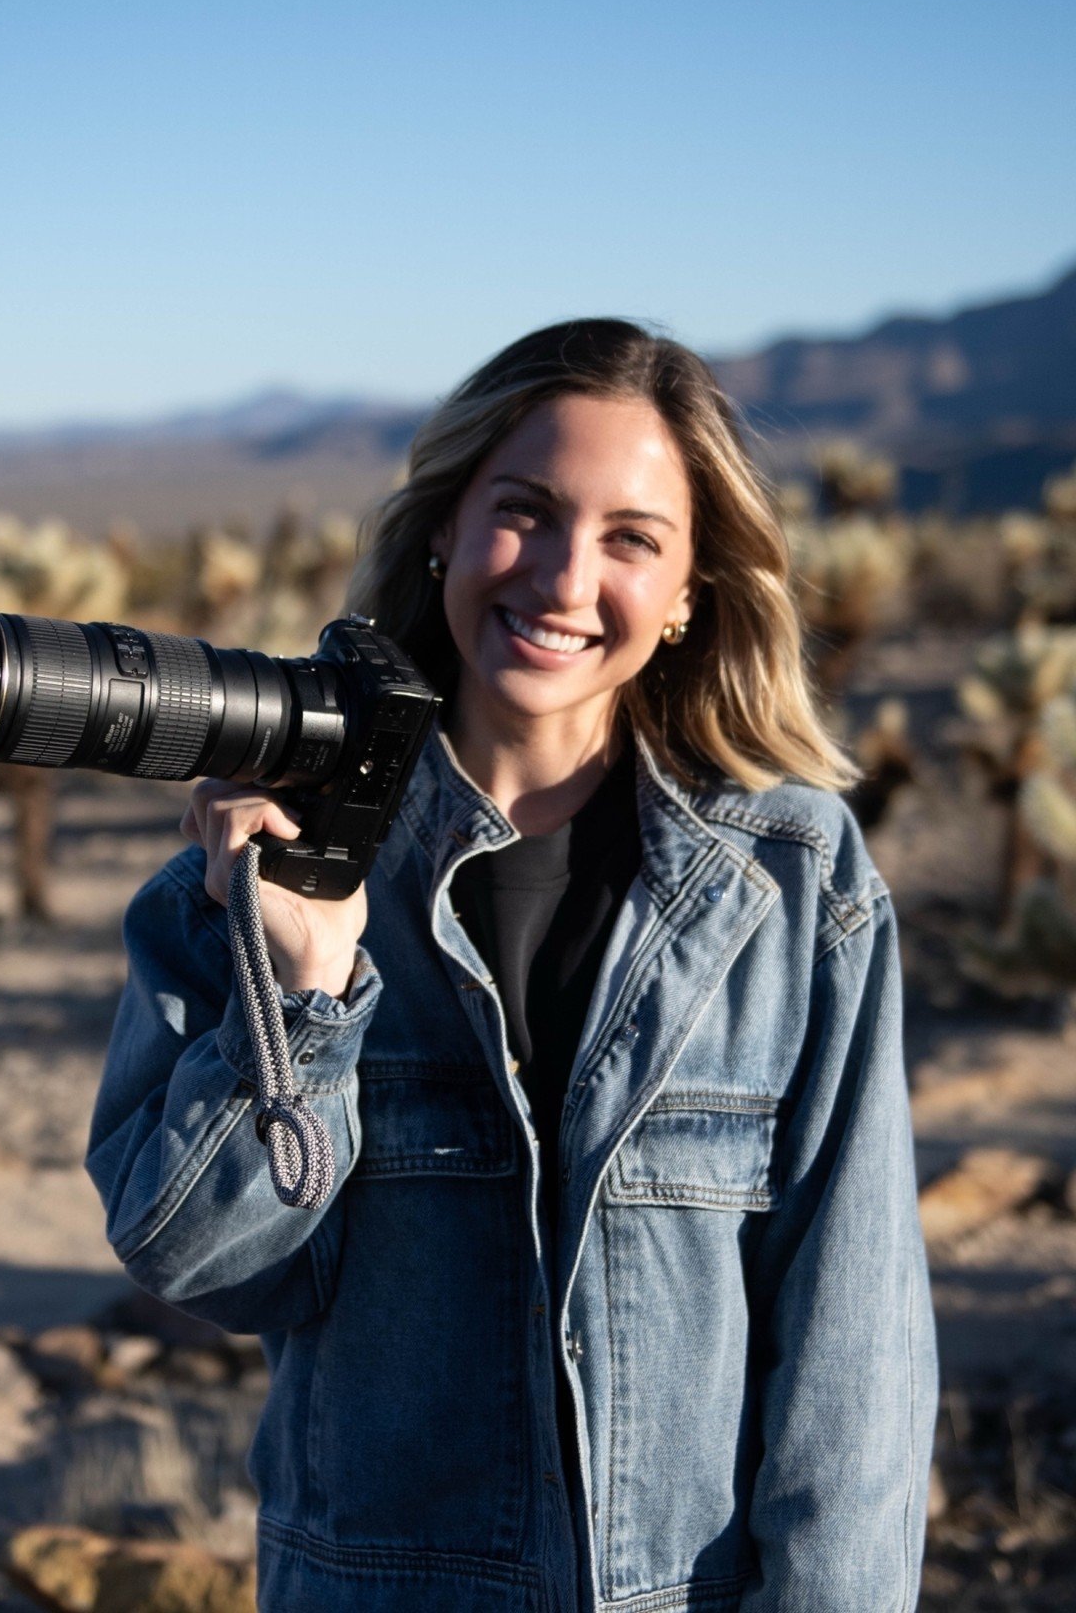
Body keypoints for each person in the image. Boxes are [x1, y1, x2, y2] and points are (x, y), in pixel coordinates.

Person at [86, 319, 939, 1613]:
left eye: (631, 540)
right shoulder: (254, 864)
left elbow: (854, 1364)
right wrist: (306, 1003)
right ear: (443, 528)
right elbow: (203, 1263)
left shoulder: (792, 886)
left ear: (694, 588)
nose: (561, 578)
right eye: (523, 514)